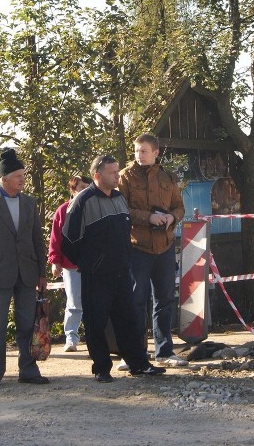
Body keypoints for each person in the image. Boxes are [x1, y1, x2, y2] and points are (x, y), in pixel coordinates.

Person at [62, 154, 166, 382]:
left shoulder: (119, 198)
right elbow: (68, 241)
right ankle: (101, 368)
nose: (117, 175)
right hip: (96, 276)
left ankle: (138, 364)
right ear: (97, 176)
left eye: (117, 171)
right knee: (96, 323)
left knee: (129, 321)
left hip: (121, 273)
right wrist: (89, 264)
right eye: (112, 172)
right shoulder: (83, 201)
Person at [0, 148, 49, 389]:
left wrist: (42, 272)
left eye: (23, 175)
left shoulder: (29, 203)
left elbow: (37, 240)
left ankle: (28, 369)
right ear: (4, 179)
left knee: (27, 324)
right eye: (18, 176)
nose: (23, 179)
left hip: (26, 273)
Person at [117, 134, 186, 368]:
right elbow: (121, 208)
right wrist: (149, 217)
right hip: (138, 247)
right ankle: (135, 354)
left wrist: (170, 217)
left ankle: (164, 351)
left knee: (165, 299)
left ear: (155, 152)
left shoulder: (167, 176)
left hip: (165, 247)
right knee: (136, 301)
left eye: (144, 151)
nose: (139, 155)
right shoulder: (125, 176)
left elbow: (179, 206)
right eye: (137, 151)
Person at [48, 175, 91, 353]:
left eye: (87, 189)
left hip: (93, 264)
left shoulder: (94, 209)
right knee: (74, 302)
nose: (85, 192)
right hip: (71, 264)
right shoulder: (62, 210)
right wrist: (55, 260)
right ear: (73, 190)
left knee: (95, 302)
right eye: (81, 188)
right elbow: (55, 238)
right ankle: (71, 338)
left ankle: (95, 338)